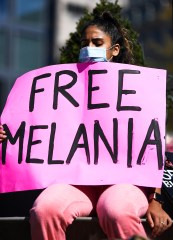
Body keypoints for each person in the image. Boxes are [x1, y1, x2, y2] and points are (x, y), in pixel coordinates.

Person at [0, 11, 172, 240]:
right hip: (77, 182)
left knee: (117, 210)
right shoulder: (62, 90)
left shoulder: (137, 88)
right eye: (85, 42)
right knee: (44, 210)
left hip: (124, 180)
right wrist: (9, 137)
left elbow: (151, 147)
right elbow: (38, 130)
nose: (88, 47)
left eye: (97, 42)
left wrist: (156, 201)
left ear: (115, 50)